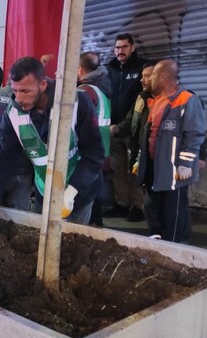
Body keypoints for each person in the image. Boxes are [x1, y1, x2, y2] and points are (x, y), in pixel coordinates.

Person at [0, 57, 103, 221]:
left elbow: (94, 152)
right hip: (45, 191)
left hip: (79, 191)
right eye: (15, 91)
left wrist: (72, 191)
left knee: (71, 240)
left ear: (42, 85)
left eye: (25, 91)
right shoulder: (13, 114)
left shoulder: (76, 103)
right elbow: (6, 158)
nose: (19, 98)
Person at [133, 59, 206, 243]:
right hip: (154, 169)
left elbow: (195, 133)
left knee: (172, 213)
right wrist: (140, 160)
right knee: (152, 209)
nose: (150, 80)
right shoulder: (157, 101)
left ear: (163, 76)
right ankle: (156, 242)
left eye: (154, 75)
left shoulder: (188, 100)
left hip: (173, 171)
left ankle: (171, 248)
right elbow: (148, 134)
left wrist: (186, 163)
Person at [106, 33, 147, 221]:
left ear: (133, 48)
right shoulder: (109, 69)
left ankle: (138, 207)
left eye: (124, 47)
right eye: (117, 47)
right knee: (117, 169)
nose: (120, 51)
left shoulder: (142, 68)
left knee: (135, 170)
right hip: (114, 130)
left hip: (134, 130)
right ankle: (121, 204)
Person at [77, 52, 112, 226]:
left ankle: (92, 232)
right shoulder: (101, 90)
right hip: (103, 150)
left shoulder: (85, 91)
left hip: (88, 152)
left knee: (88, 199)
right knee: (94, 195)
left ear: (80, 69)